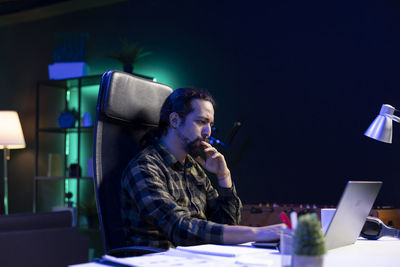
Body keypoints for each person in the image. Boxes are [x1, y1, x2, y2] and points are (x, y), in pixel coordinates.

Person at [121, 87, 283, 249]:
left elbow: (226, 224)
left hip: (194, 259)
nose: (208, 132)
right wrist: (257, 233)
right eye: (201, 122)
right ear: (175, 120)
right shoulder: (144, 167)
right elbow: (180, 229)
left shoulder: (192, 167)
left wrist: (224, 177)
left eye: (210, 124)